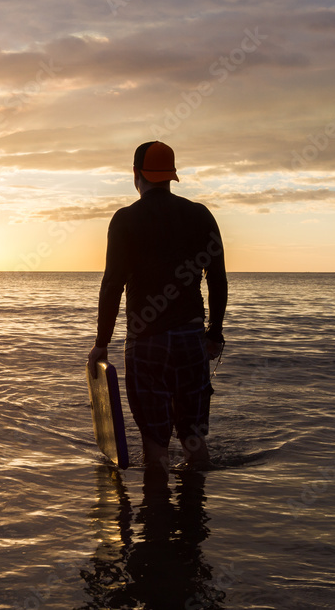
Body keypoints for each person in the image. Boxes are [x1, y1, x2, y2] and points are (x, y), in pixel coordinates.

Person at [87, 141, 227, 471]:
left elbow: (112, 285)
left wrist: (101, 344)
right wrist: (214, 334)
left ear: (136, 174)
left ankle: (157, 517)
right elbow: (217, 280)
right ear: (171, 176)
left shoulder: (125, 220)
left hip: (146, 341)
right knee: (194, 440)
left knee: (155, 445)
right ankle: (195, 514)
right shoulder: (200, 214)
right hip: (191, 338)